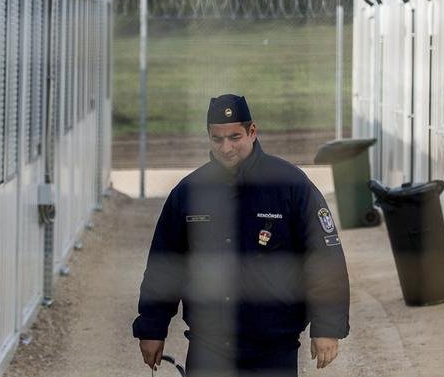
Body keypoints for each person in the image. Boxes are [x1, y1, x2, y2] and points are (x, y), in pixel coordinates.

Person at [133, 94, 351, 377]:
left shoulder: (290, 184)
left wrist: (327, 327)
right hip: (208, 345)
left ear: (252, 131)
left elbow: (324, 259)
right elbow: (165, 263)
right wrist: (152, 327)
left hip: (274, 346)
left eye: (235, 137)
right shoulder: (189, 192)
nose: (226, 148)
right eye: (217, 138)